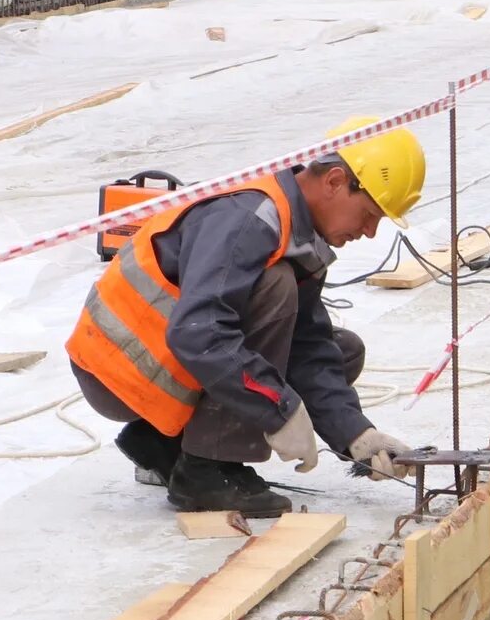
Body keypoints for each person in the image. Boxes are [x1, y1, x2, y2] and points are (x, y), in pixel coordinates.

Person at [67, 117, 425, 516]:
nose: (370, 232)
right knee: (275, 287)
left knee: (342, 352)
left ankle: (163, 444)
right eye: (370, 213)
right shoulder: (249, 218)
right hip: (123, 370)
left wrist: (356, 434)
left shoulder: (296, 227)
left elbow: (307, 346)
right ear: (335, 181)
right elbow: (198, 333)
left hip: (161, 362)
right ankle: (207, 473)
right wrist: (279, 410)